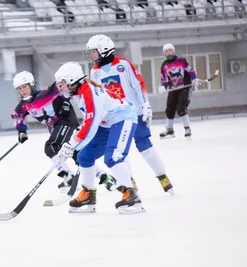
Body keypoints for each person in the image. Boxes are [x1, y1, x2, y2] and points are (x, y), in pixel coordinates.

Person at [86, 34, 174, 195]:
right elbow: (98, 96)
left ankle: (163, 177)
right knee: (119, 151)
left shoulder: (123, 64)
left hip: (135, 112)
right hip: (115, 117)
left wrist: (145, 105)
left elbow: (138, 84)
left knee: (145, 146)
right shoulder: (95, 72)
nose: (91, 55)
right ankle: (129, 181)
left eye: (93, 51)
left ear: (104, 50)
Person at [54, 62, 145, 214]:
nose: (60, 88)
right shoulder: (80, 92)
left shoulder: (89, 92)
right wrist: (76, 141)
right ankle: (89, 194)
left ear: (71, 81)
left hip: (123, 119)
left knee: (113, 157)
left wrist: (72, 144)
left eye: (62, 84)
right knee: (84, 156)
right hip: (107, 124)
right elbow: (89, 121)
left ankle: (131, 194)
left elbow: (91, 124)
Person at [10, 71, 115, 192]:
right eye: (19, 88)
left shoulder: (45, 94)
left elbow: (64, 91)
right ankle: (105, 177)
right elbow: (17, 116)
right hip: (57, 129)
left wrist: (65, 103)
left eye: (24, 86)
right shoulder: (24, 105)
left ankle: (67, 176)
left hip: (66, 123)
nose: (22, 90)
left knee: (51, 146)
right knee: (78, 155)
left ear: (31, 84)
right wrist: (21, 131)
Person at [159, 43, 198, 139]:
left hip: (185, 87)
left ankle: (187, 128)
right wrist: (163, 86)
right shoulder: (164, 65)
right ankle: (170, 129)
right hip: (174, 88)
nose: (168, 53)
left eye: (170, 50)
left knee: (181, 107)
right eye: (166, 51)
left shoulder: (181, 60)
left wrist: (194, 79)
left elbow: (190, 71)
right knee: (169, 108)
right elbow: (165, 79)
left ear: (173, 51)